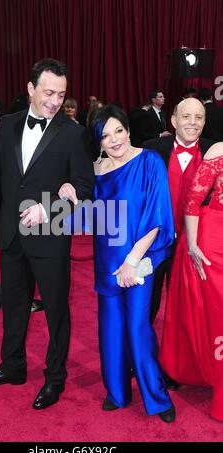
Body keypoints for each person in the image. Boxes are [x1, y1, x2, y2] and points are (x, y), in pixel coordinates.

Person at [0, 58, 95, 410]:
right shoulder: (7, 125)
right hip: (10, 234)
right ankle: (13, 367)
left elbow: (85, 190)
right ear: (30, 89)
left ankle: (54, 378)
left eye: (62, 94)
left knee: (56, 312)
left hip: (51, 238)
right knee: (13, 307)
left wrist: (51, 206)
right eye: (49, 92)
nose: (56, 101)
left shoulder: (73, 133)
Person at [61, 105, 176, 422]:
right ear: (97, 141)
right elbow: (95, 220)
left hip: (138, 263)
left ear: (128, 130)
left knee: (138, 329)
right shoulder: (96, 171)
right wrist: (71, 196)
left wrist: (132, 260)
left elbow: (156, 217)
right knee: (110, 331)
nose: (114, 140)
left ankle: (158, 397)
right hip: (106, 263)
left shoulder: (149, 161)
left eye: (119, 131)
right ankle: (117, 392)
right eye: (105, 136)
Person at [160, 143, 223, 422]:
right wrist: (193, 245)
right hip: (214, 242)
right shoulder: (218, 151)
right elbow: (193, 201)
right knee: (213, 311)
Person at [143, 98, 215, 326]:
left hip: (193, 246)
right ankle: (141, 356)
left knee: (187, 311)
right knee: (146, 305)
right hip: (153, 242)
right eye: (186, 116)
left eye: (199, 117)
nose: (193, 123)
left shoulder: (214, 152)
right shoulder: (151, 149)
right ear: (173, 120)